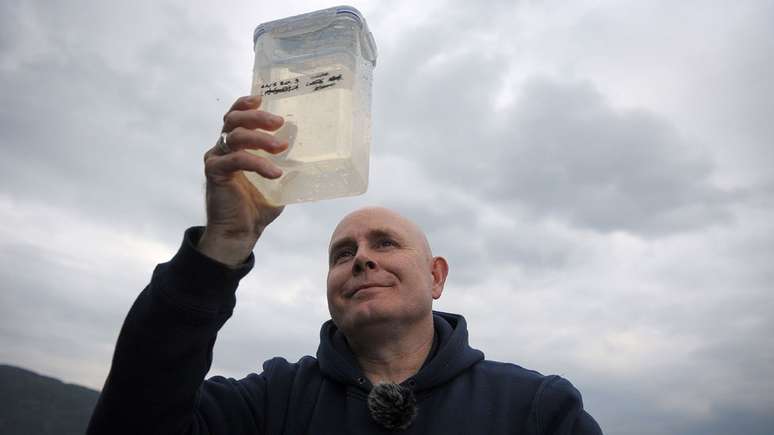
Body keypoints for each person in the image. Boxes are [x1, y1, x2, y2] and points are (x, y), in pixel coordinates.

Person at [87, 96, 603, 434]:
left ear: (437, 276)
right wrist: (223, 243)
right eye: (342, 253)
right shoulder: (268, 403)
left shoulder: (537, 409)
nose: (362, 260)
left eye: (385, 244)